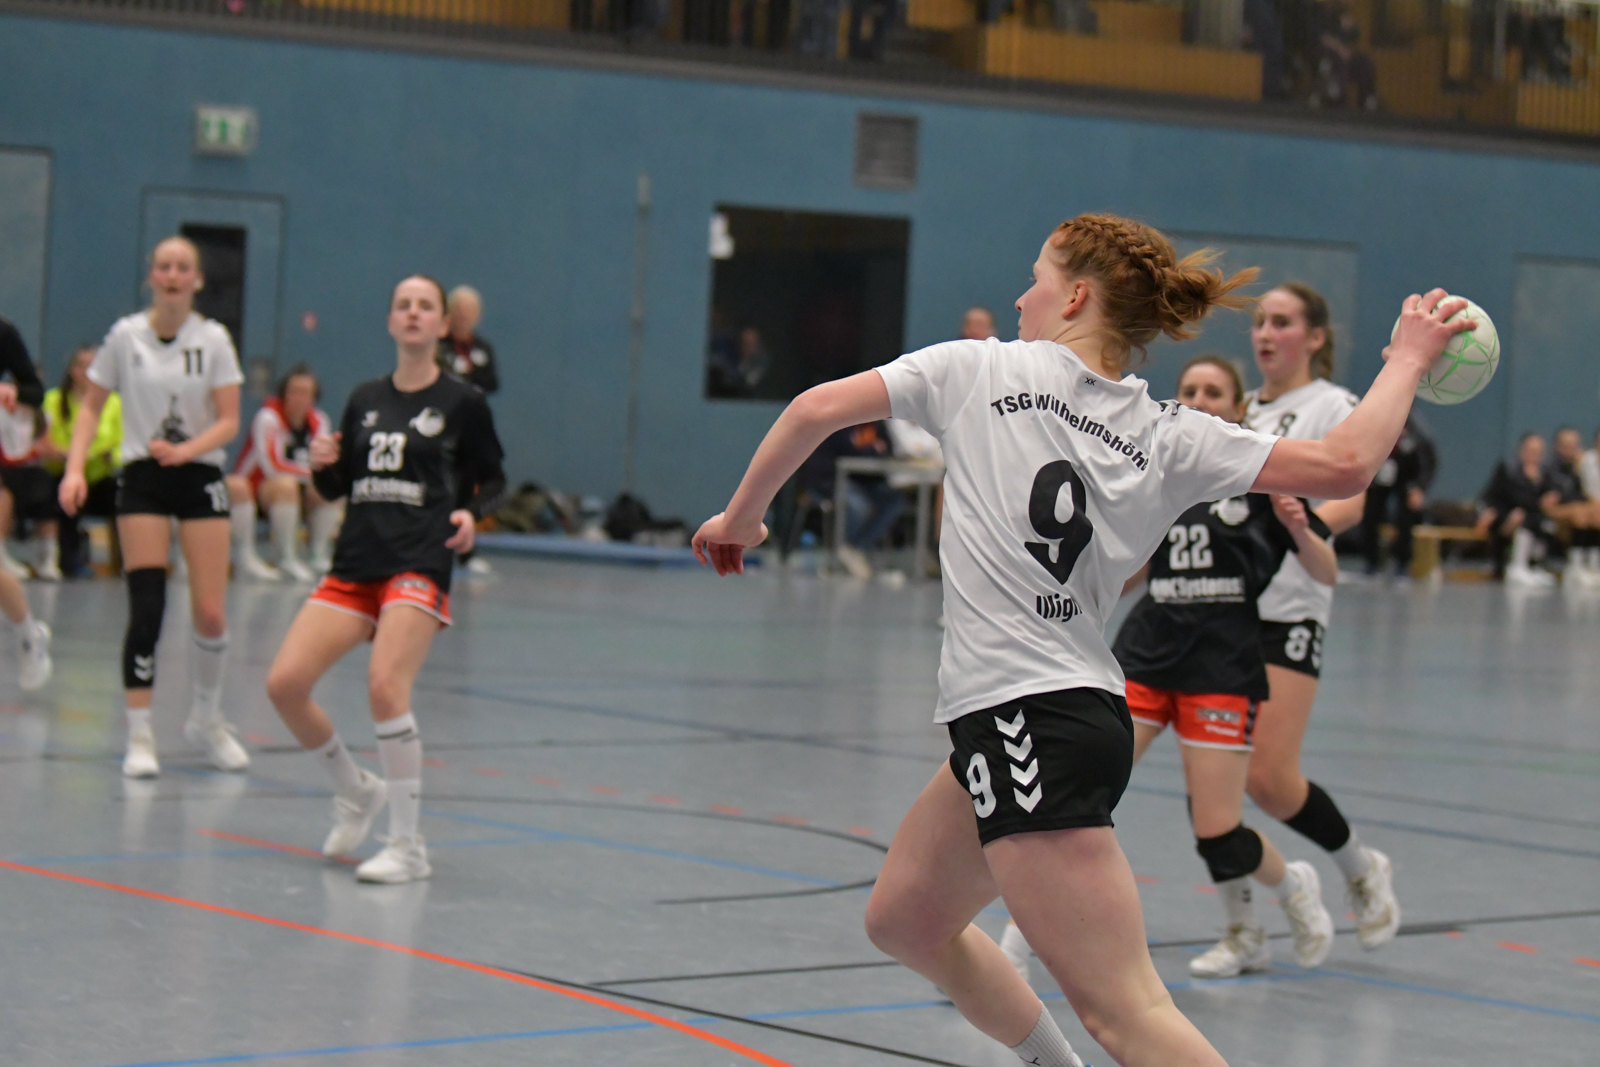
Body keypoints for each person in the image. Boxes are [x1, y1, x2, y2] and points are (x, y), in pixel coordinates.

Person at [692, 211, 1471, 1067]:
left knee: (1129, 1013)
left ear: (1075, 296)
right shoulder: (1168, 432)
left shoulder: (976, 368)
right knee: (905, 919)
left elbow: (813, 407)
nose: (1019, 297)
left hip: (1028, 719)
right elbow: (1347, 464)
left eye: (1035, 278)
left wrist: (742, 517)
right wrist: (1406, 360)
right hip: (1055, 713)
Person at [997, 354, 1340, 982]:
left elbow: (1327, 572)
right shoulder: (1151, 470)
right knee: (1072, 799)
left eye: (1215, 391)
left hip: (1221, 668)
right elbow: (1132, 571)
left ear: (1238, 406)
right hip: (1147, 658)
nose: (1201, 400)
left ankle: (1292, 885)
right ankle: (1015, 952)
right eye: (1190, 390)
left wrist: (1301, 532)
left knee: (1219, 831)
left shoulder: (1262, 476)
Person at [264, 275, 506, 884]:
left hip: (419, 559)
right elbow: (337, 487)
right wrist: (322, 467)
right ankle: (355, 789)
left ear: (443, 324)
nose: (414, 313)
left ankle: (407, 845)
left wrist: (469, 514)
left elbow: (495, 479)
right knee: (285, 684)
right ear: (391, 321)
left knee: (385, 687)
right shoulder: (365, 398)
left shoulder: (463, 402)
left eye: (426, 306)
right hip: (356, 562)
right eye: (404, 305)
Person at [1241, 282, 1401, 951]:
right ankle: (1242, 924)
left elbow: (1352, 498)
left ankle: (1360, 866)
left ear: (1314, 337)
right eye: (1259, 321)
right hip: (1221, 609)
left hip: (1290, 609)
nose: (1265, 333)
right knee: (1210, 783)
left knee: (1269, 780)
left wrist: (1299, 535)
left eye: (1281, 322)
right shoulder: (1240, 410)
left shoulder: (1332, 406)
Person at [58, 235, 250, 778]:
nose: (172, 275)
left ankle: (207, 719)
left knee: (210, 613)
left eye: (183, 267)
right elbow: (91, 406)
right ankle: (140, 735)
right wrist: (74, 469)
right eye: (164, 266)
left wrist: (187, 451)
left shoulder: (213, 339)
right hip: (143, 475)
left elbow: (229, 420)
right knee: (147, 607)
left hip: (197, 471)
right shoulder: (126, 335)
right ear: (151, 276)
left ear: (197, 280)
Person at [226, 363, 340, 582]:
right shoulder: (268, 417)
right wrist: (313, 474)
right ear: (284, 394)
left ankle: (318, 554)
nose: (299, 398)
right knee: (285, 485)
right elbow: (273, 467)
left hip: (297, 490)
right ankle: (284, 557)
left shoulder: (319, 421)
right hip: (257, 489)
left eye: (305, 393)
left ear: (314, 397)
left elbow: (322, 464)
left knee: (330, 490)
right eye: (294, 392)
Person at [41, 345, 122, 578]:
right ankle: (68, 561)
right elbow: (47, 441)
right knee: (63, 498)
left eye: (92, 366)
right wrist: (72, 456)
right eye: (80, 366)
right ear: (71, 370)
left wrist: (104, 454)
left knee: (124, 497)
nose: (86, 372)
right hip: (64, 473)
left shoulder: (114, 402)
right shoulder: (54, 400)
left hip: (100, 476)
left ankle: (124, 562)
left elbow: (119, 442)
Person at [1359, 412, 1436, 580]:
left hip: (1406, 480)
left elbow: (1428, 463)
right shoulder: (1377, 427)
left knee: (1405, 517)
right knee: (1371, 514)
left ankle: (1402, 564)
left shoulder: (1417, 431)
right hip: (1380, 479)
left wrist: (1419, 488)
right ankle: (1371, 562)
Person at [1475, 432, 1559, 586]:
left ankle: (1535, 565)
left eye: (1539, 452)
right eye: (1531, 451)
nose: (1535, 456)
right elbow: (1493, 497)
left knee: (1544, 524)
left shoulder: (1545, 474)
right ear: (1521, 450)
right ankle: (1516, 566)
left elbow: (1549, 496)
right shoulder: (1508, 470)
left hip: (1533, 516)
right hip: (1505, 515)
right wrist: (1492, 514)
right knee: (1521, 519)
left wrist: (1550, 498)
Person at [0, 399, 60, 580]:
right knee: (4, 495)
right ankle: (2, 557)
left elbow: (47, 447)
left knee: (47, 491)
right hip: (5, 471)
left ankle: (48, 557)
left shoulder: (41, 417)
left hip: (31, 471)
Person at [439, 285, 499, 395]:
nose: (464, 315)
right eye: (459, 310)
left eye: (470, 310)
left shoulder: (483, 348)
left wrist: (472, 373)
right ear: (449, 313)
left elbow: (492, 384)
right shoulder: (439, 347)